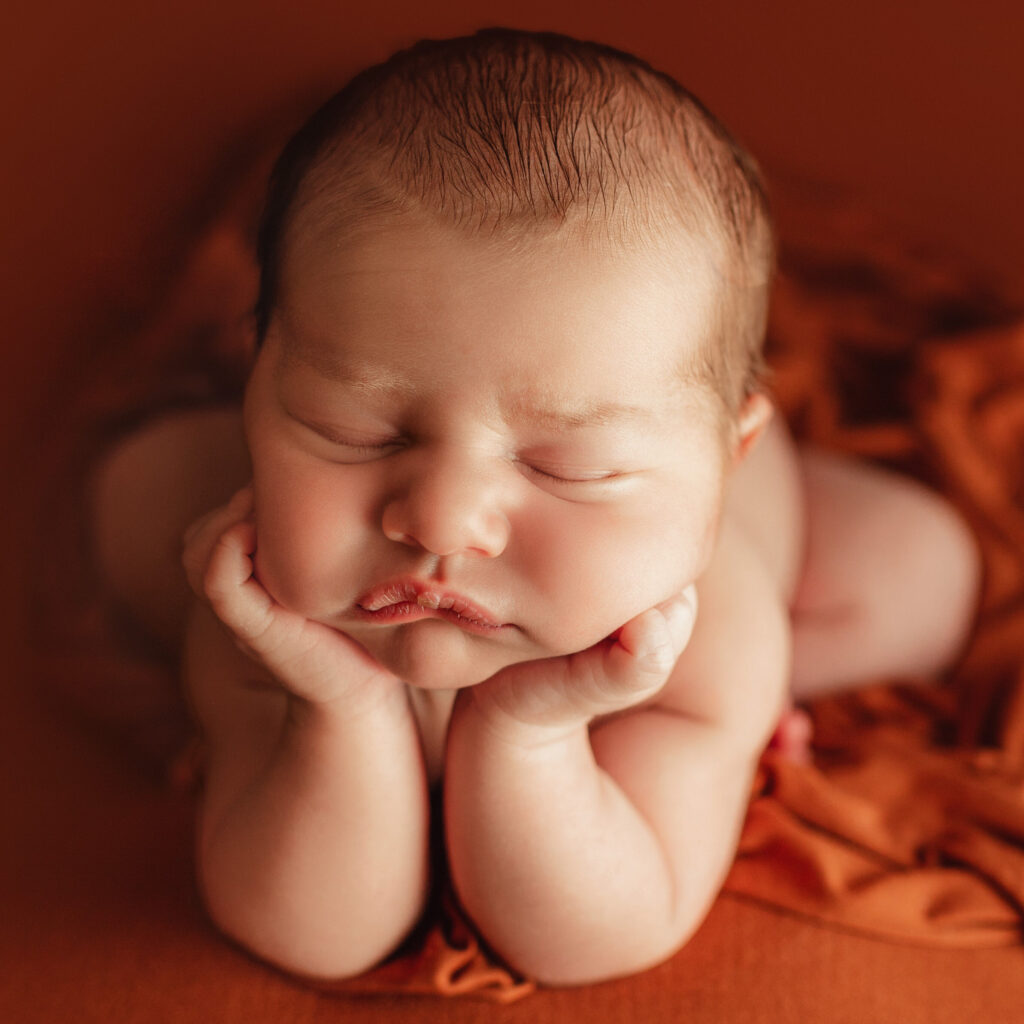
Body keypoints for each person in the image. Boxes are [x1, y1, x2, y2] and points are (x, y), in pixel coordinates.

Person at [90, 28, 981, 986]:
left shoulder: (705, 642)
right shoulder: (273, 607)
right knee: (133, 499)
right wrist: (338, 702)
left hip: (760, 554)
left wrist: (534, 731)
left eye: (570, 468)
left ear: (726, 460)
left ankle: (748, 695)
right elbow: (314, 930)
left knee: (924, 571)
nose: (440, 521)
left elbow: (594, 935)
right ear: (261, 386)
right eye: (358, 429)